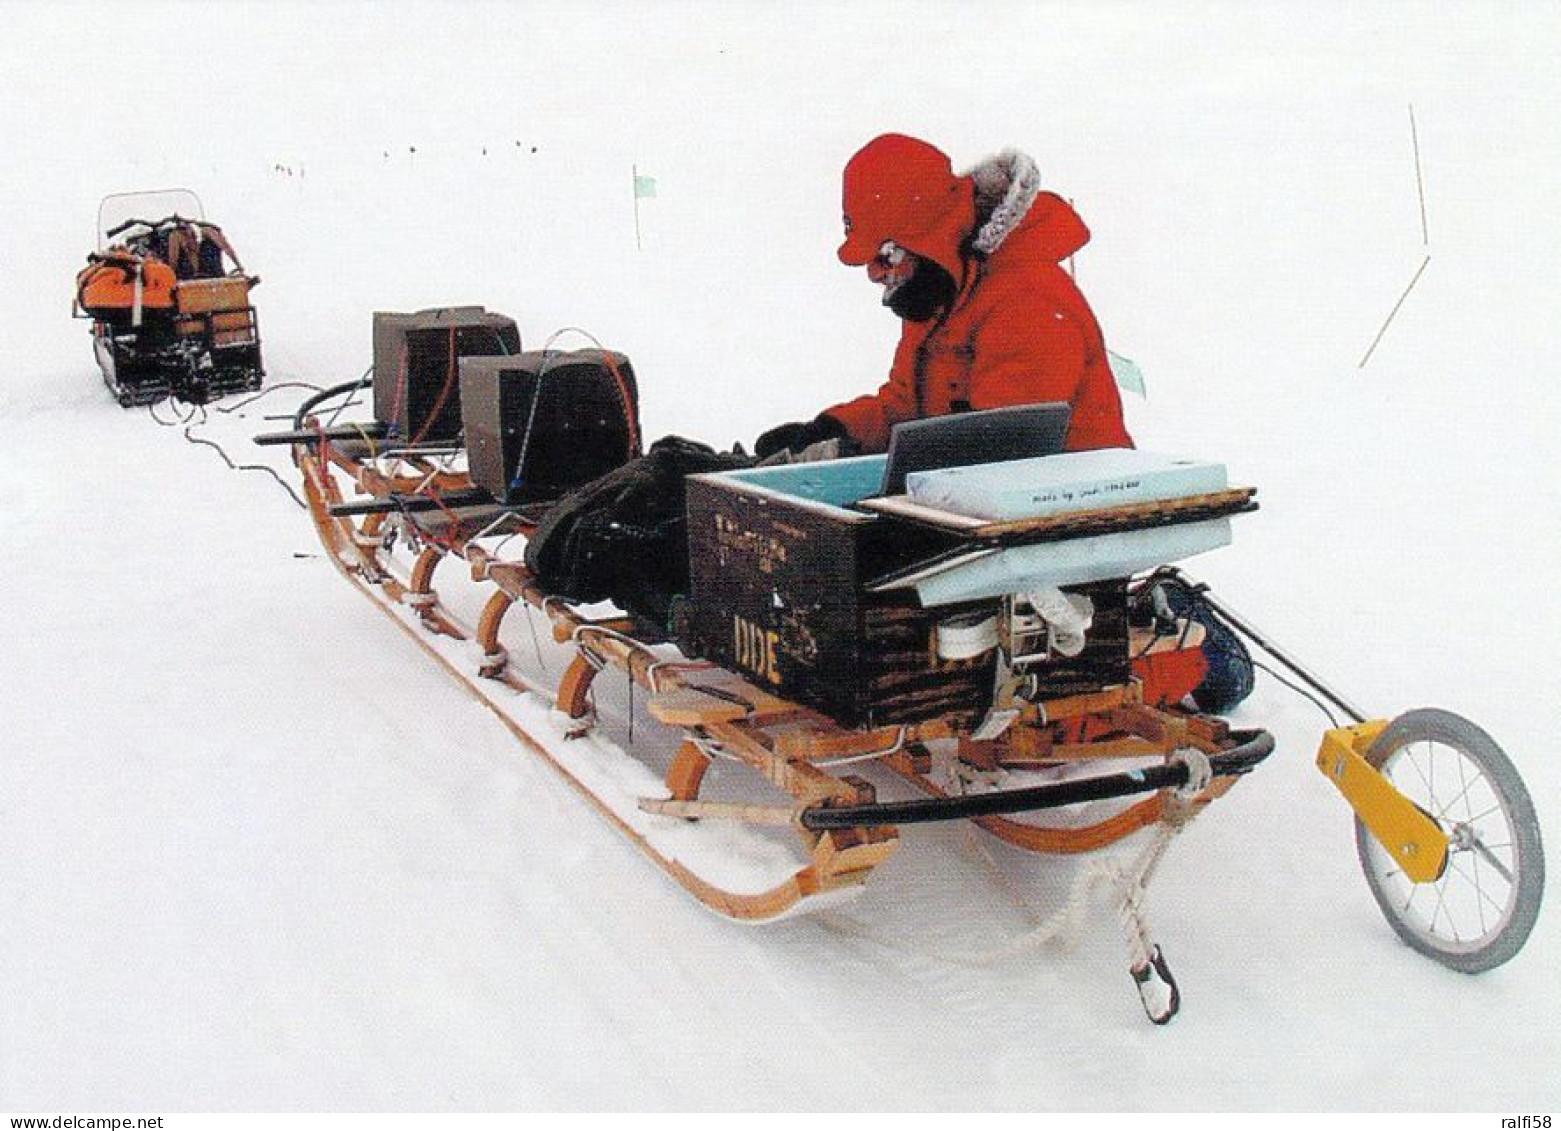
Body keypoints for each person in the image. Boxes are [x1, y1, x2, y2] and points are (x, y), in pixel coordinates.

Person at [756, 133, 1133, 459]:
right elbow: (906, 407)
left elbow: (1004, 450)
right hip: (979, 506)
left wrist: (860, 468)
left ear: (928, 242)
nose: (873, 274)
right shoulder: (938, 293)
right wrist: (838, 430)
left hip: (1072, 518)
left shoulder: (1027, 303)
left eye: (885, 256)